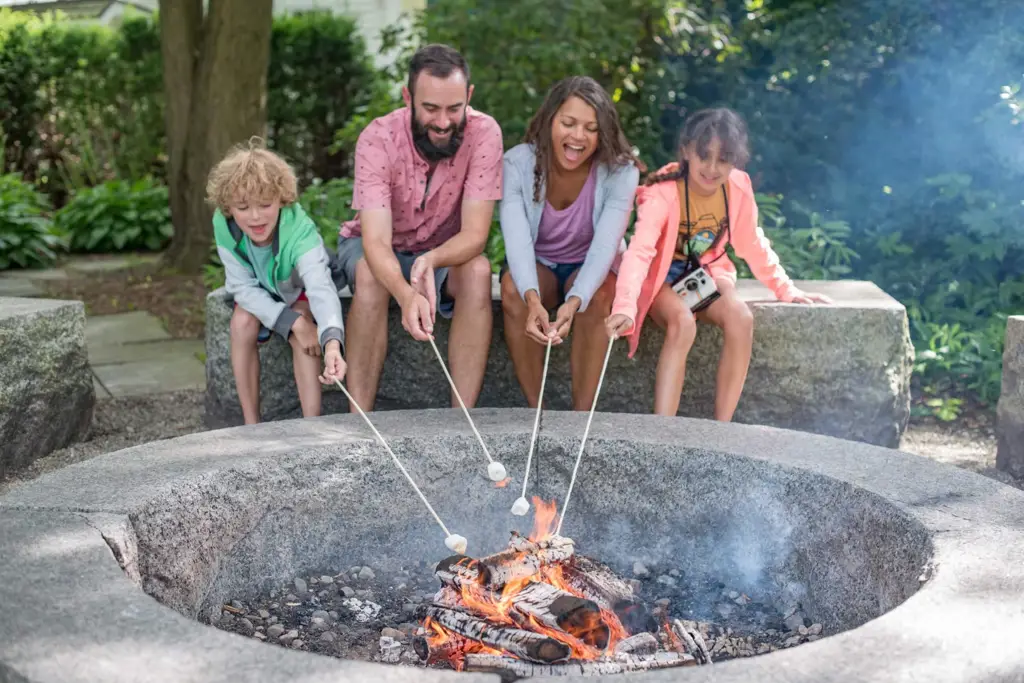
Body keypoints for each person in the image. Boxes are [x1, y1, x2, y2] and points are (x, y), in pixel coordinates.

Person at [606, 108, 832, 419]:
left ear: (736, 160)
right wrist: (625, 306)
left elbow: (751, 242)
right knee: (683, 322)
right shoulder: (663, 192)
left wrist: (785, 288)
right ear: (686, 151)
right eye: (704, 156)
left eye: (723, 159)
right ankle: (662, 431)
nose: (712, 168)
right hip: (662, 277)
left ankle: (721, 428)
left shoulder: (735, 188)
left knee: (741, 317)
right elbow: (641, 252)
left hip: (700, 275)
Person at [334, 44, 502, 412]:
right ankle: (358, 422)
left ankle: (462, 418)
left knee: (478, 271)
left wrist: (432, 260)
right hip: (376, 246)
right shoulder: (377, 139)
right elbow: (375, 242)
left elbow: (475, 236)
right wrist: (406, 294)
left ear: (469, 96)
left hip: (444, 248)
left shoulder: (485, 133)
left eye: (454, 109)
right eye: (430, 109)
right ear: (408, 97)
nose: (443, 122)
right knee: (367, 274)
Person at [500, 76, 642, 409]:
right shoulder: (517, 163)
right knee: (511, 291)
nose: (578, 136)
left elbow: (605, 246)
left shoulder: (621, 171)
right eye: (568, 123)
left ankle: (581, 416)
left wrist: (575, 301)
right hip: (540, 265)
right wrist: (534, 302)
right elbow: (517, 242)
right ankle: (539, 412)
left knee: (600, 295)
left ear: (603, 133)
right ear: (550, 120)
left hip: (589, 266)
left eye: (591, 128)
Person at [211, 138, 347, 425]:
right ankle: (251, 424)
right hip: (261, 288)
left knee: (304, 330)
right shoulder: (223, 226)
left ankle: (312, 423)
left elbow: (320, 288)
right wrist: (291, 321)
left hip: (299, 290)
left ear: (282, 199)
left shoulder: (300, 232)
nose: (255, 216)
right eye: (243, 207)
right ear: (228, 207)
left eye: (265, 204)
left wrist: (331, 341)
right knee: (241, 323)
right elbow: (240, 286)